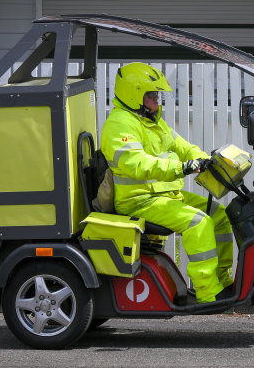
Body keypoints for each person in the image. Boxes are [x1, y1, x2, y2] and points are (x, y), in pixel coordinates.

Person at [100, 62, 234, 303]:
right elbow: (137, 163)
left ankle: (222, 281)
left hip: (166, 196)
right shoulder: (119, 124)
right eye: (152, 95)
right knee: (199, 223)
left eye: (158, 95)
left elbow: (182, 146)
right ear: (135, 95)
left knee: (219, 215)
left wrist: (201, 158)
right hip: (140, 200)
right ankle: (209, 293)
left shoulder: (153, 121)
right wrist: (180, 168)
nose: (157, 100)